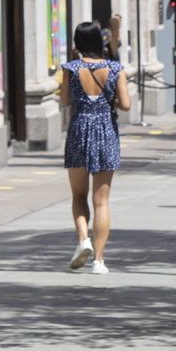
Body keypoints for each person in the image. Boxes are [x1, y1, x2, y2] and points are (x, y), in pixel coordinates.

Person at [59, 21, 131, 273]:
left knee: (78, 195)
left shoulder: (70, 68)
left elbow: (65, 100)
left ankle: (83, 239)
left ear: (77, 43)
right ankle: (99, 260)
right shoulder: (115, 68)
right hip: (106, 132)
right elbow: (125, 104)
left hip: (79, 129)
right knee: (102, 201)